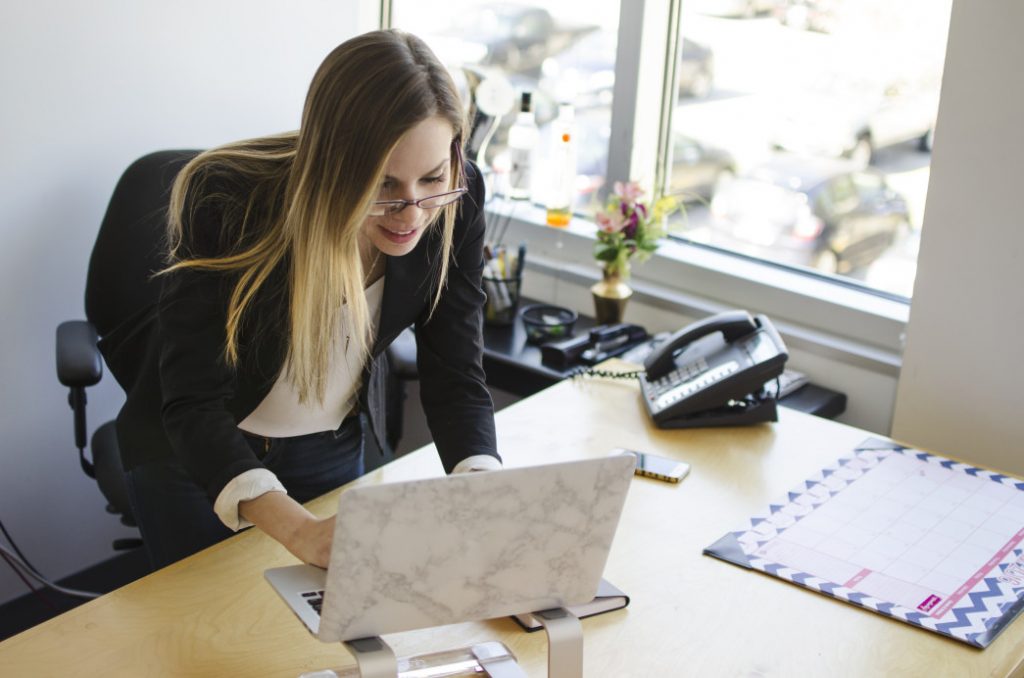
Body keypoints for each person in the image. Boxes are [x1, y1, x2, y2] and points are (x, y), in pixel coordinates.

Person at [112, 29, 502, 570]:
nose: (412, 213)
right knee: (205, 638)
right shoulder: (227, 198)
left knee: (320, 629)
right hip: (195, 453)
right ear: (333, 165)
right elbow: (192, 400)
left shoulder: (459, 196)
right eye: (383, 186)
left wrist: (486, 490)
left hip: (329, 444)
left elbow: (456, 370)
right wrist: (300, 532)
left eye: (432, 178)